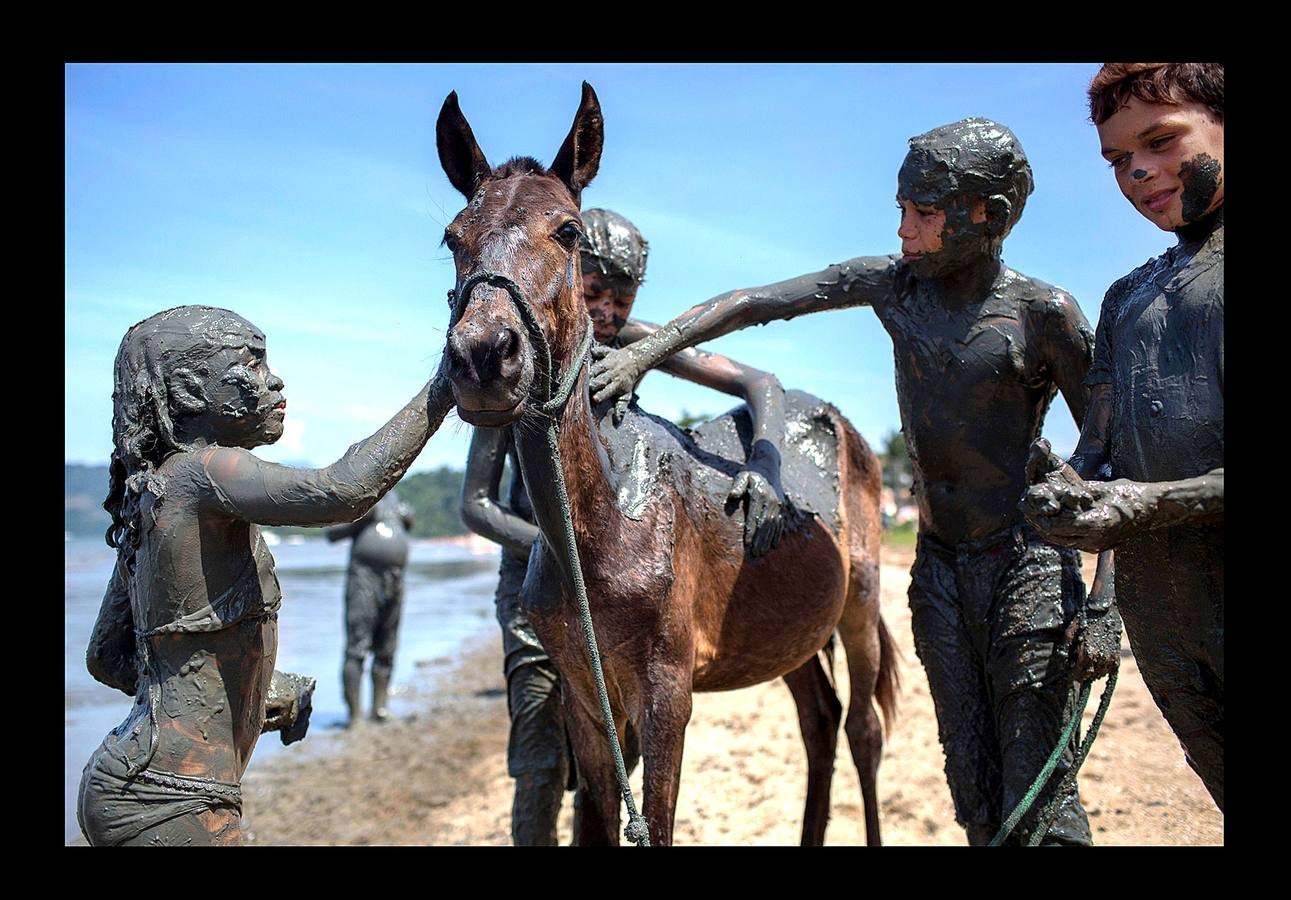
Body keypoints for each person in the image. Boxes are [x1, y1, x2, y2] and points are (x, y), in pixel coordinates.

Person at [589, 121, 1116, 846]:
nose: (902, 231)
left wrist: (1104, 605)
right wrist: (648, 349)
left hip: (1024, 561)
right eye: (899, 209)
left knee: (1039, 780)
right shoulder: (892, 288)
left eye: (923, 215)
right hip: (937, 568)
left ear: (987, 215)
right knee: (973, 781)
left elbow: (1107, 464)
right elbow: (754, 302)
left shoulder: (1043, 314)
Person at [461, 207, 790, 845]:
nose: (607, 313)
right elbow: (475, 505)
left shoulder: (635, 341)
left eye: (623, 298)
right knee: (540, 758)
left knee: (615, 765)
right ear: (564, 276)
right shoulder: (514, 358)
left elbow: (760, 383)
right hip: (537, 590)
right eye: (594, 294)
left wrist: (767, 466)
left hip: (616, 591)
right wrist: (562, 553)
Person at [79, 305, 451, 845]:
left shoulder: (153, 496)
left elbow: (107, 657)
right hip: (175, 797)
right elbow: (342, 492)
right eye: (252, 365)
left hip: (123, 778)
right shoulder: (204, 472)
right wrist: (444, 386)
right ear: (188, 394)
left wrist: (251, 693)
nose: (274, 380)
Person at [1022, 63, 1224, 811]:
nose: (1138, 170)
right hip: (1167, 619)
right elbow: (1100, 451)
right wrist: (1063, 487)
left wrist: (1139, 505)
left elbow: (1131, 494)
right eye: (1115, 159)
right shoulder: (1127, 297)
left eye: (1161, 139)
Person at [327, 490, 416, 725]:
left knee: (387, 647)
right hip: (364, 578)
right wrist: (363, 516)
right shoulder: (361, 493)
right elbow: (332, 533)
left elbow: (408, 525)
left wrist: (408, 516)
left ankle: (380, 708)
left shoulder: (396, 497)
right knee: (357, 647)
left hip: (395, 579)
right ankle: (354, 715)